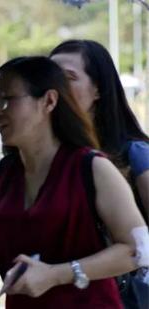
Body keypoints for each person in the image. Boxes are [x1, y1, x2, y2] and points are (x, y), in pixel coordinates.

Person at [0, 56, 147, 308]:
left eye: (7, 100)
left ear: (49, 101)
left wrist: (56, 274)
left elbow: (137, 248)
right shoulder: (2, 175)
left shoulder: (91, 167)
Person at [50, 39, 149, 309]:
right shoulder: (44, 158)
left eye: (69, 77)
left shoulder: (135, 153)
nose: (56, 86)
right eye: (51, 75)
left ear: (98, 90)